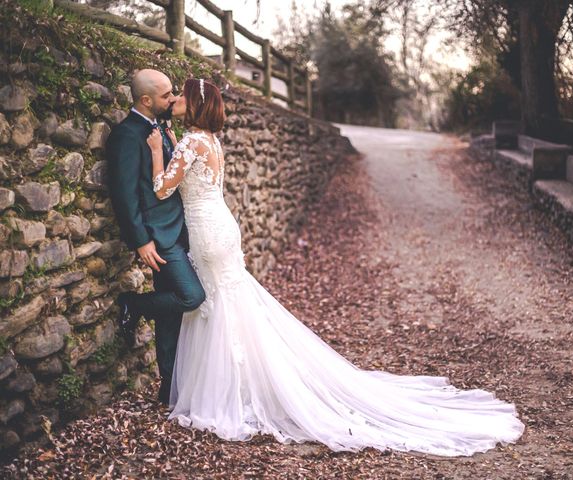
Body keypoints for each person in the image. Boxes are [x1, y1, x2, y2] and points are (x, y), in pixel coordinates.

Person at [146, 77, 525, 455]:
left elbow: (162, 188)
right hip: (221, 227)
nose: (175, 99)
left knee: (217, 306)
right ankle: (240, 383)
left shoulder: (190, 142)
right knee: (229, 304)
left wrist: (154, 152)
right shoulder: (212, 141)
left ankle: (226, 392)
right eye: (173, 95)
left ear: (194, 104)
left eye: (181, 95)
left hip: (208, 233)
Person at [105, 69, 206, 406]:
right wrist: (140, 240)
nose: (173, 99)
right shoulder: (127, 135)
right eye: (166, 95)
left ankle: (169, 389)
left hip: (180, 230)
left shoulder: (162, 127)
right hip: (158, 238)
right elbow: (125, 194)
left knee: (170, 312)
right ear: (146, 100)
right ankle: (133, 304)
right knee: (191, 296)